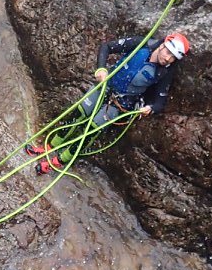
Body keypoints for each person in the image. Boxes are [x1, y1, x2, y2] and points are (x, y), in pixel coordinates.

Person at [28, 31, 190, 172]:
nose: (168, 58)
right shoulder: (141, 44)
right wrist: (101, 68)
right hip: (105, 85)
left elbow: (160, 101)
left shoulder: (165, 72)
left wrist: (150, 108)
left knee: (91, 130)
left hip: (120, 103)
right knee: (78, 113)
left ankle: (60, 160)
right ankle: (49, 147)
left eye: (173, 58)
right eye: (168, 52)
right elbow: (107, 47)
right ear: (162, 45)